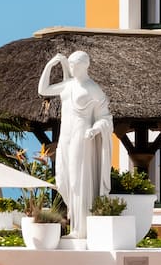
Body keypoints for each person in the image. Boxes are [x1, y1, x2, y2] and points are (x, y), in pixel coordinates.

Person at [38, 51, 113, 240]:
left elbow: (105, 117)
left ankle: (80, 229)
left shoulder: (93, 89)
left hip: (81, 136)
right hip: (66, 136)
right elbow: (43, 90)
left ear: (84, 66)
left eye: (74, 65)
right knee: (64, 179)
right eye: (69, 65)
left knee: (78, 181)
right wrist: (49, 65)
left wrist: (95, 129)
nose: (71, 68)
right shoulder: (67, 86)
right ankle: (75, 221)